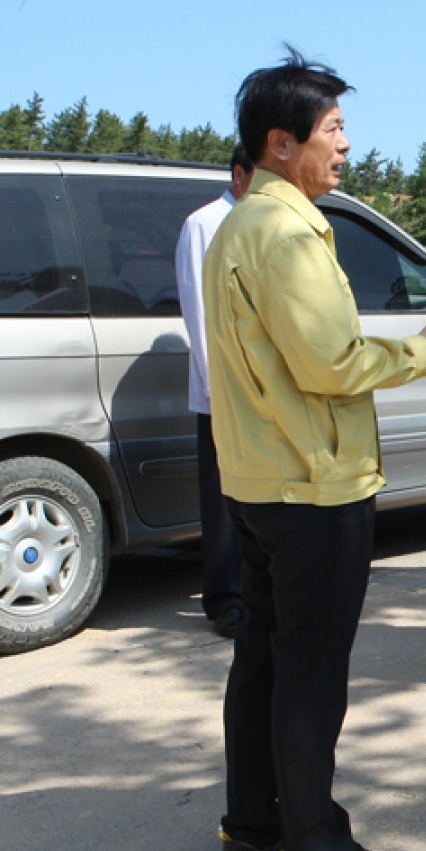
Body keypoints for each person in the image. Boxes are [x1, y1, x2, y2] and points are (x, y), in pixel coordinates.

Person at [205, 50, 426, 851]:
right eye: (333, 131)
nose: (346, 146)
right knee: (310, 673)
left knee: (264, 660)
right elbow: (330, 360)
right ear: (280, 145)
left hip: (257, 476)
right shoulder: (287, 231)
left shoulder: (237, 223)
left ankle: (252, 830)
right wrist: (421, 349)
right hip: (313, 483)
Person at [175, 142, 253, 638]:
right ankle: (225, 602)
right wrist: (216, 386)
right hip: (222, 391)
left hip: (265, 389)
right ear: (238, 173)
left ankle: (256, 594)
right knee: (224, 500)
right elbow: (199, 313)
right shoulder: (205, 223)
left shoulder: (264, 223)